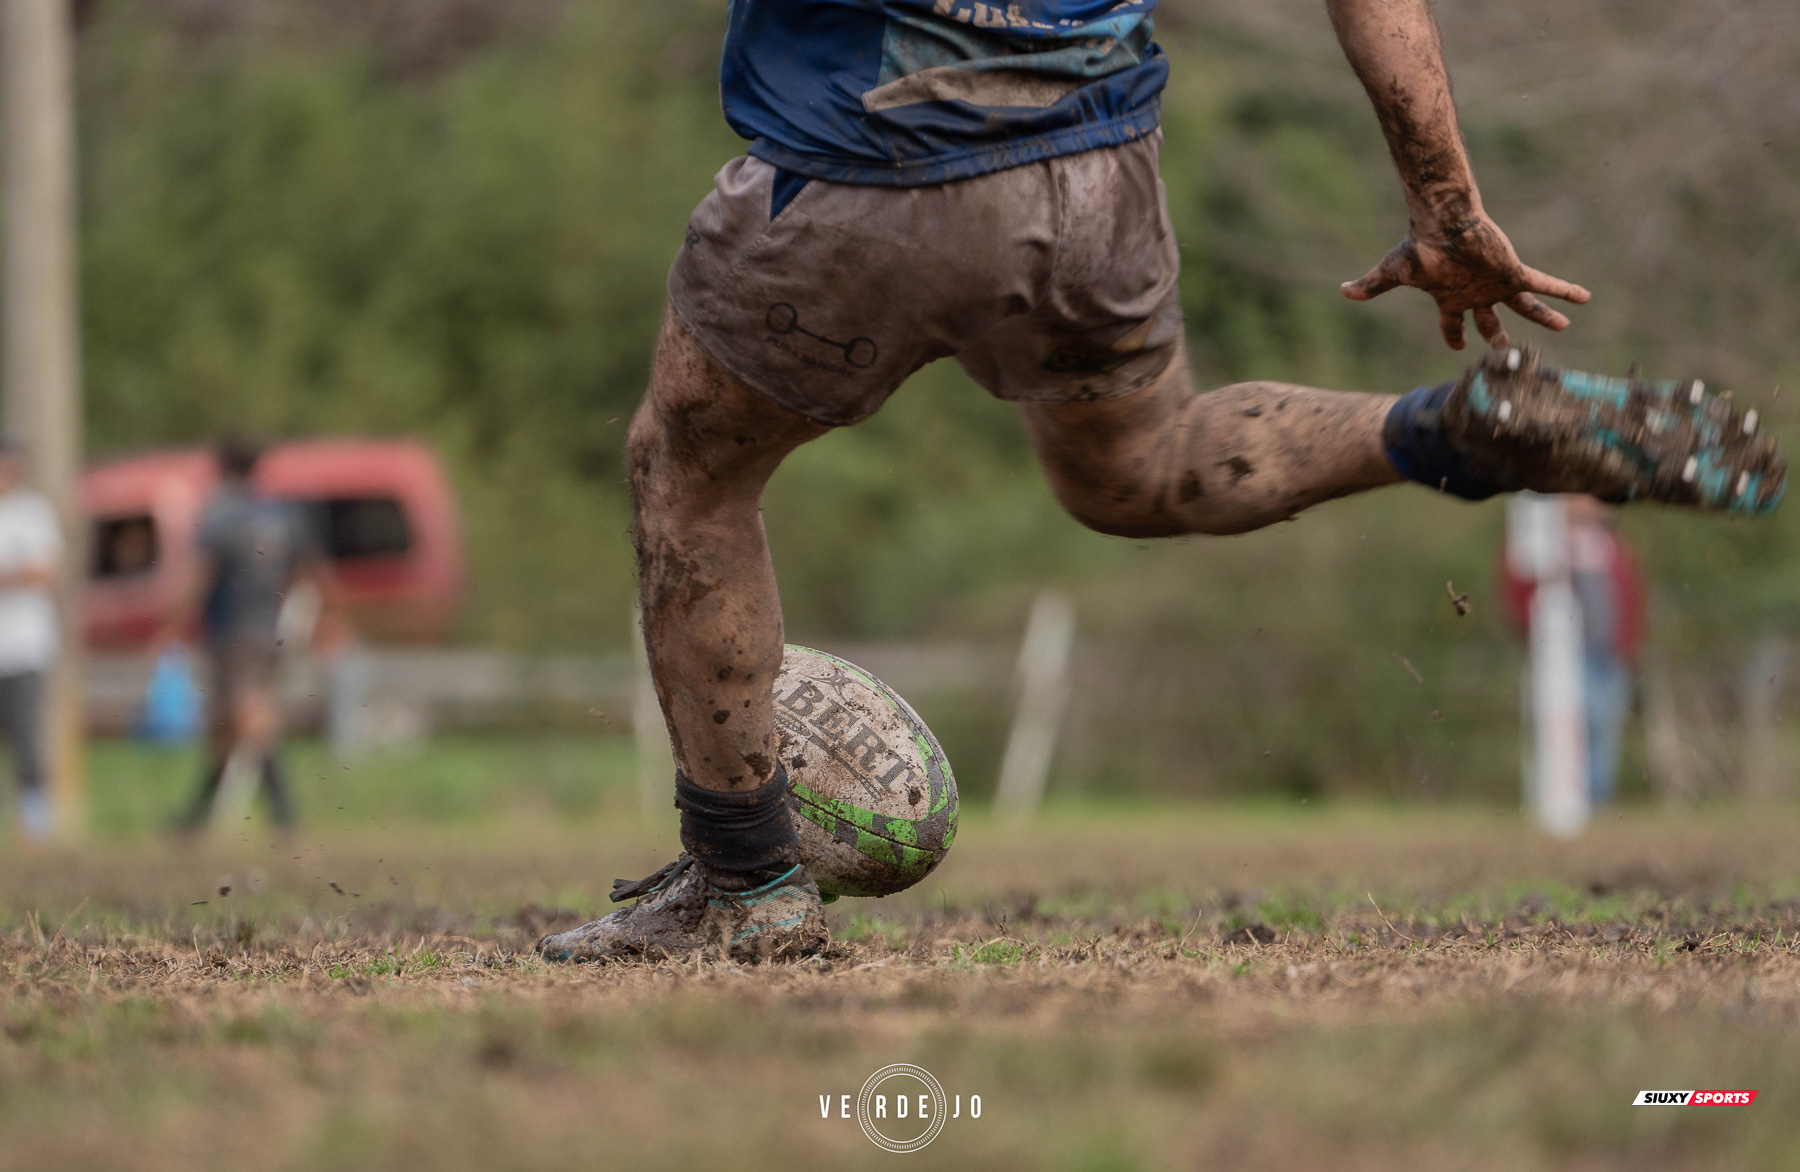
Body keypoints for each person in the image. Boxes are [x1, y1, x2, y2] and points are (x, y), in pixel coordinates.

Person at [537, 0, 1784, 962]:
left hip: (856, 162)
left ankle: (747, 883)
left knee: (689, 472)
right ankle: (1446, 429)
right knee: (1140, 466)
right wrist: (1446, 202)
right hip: (1089, 174)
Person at [170, 436, 331, 831]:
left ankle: (283, 813)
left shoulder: (219, 516)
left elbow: (199, 576)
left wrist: (172, 621)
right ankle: (196, 815)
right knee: (226, 725)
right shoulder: (282, 515)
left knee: (250, 719)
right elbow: (310, 572)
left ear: (222, 468)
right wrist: (312, 619)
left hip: (232, 631)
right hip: (271, 628)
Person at [1502, 496, 1647, 805]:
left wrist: (1631, 645)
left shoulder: (1613, 545)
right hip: (1564, 655)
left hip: (1609, 654)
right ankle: (1566, 801)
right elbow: (1520, 585)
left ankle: (1598, 800)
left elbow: (1631, 595)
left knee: (1603, 728)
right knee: (1568, 728)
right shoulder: (1545, 539)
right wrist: (1531, 632)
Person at [0, 443, 61, 843]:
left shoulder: (33, 513)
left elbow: (42, 571)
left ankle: (35, 825)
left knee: (26, 736)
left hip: (23, 645)